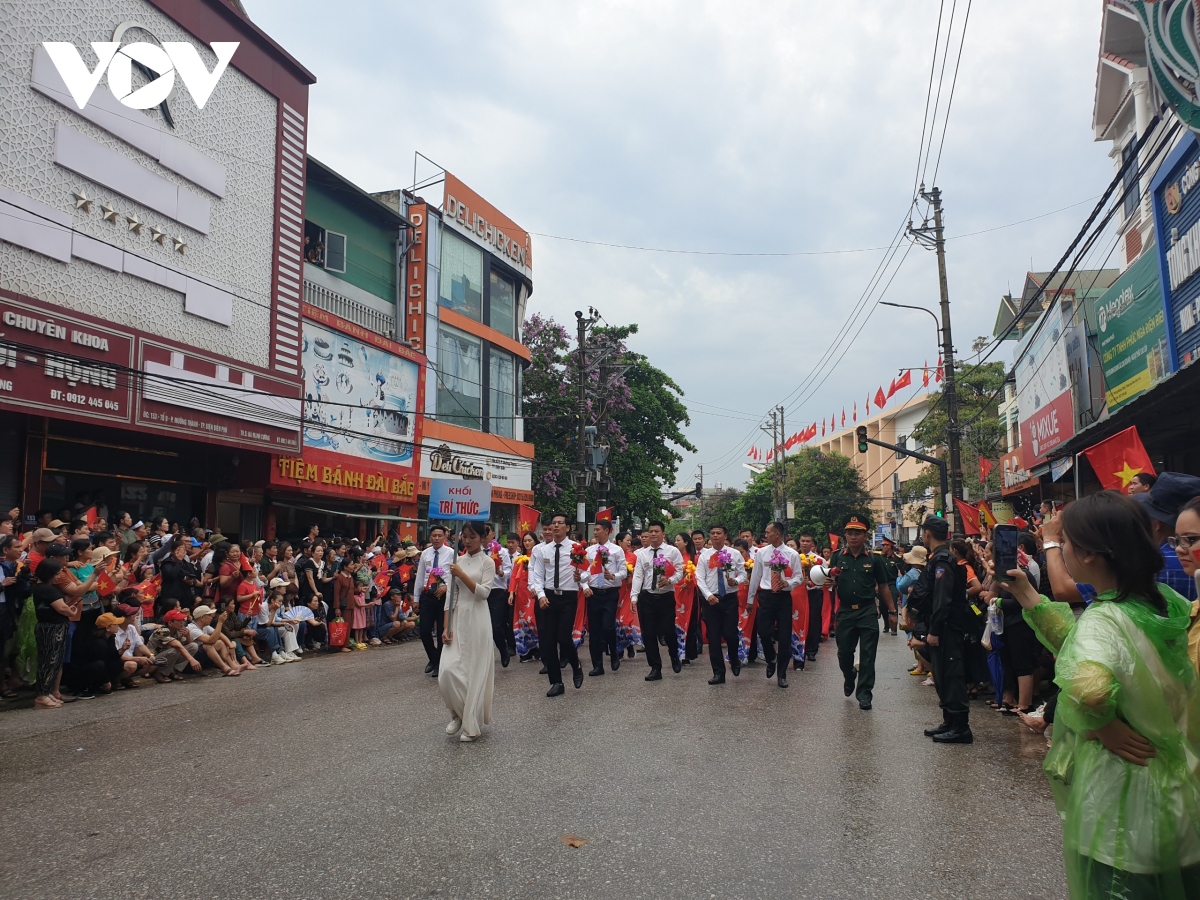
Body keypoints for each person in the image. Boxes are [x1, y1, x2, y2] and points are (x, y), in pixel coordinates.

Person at [999, 490, 1200, 899]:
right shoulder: (1165, 604)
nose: (1065, 552)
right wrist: (1027, 595)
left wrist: (1100, 724)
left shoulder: (1103, 618)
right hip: (1178, 799)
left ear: (1091, 554)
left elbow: (1089, 687)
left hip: (1122, 812)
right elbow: (1090, 648)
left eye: (1067, 543)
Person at [829, 516, 895, 709]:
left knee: (868, 655)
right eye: (849, 533)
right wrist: (828, 581)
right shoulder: (837, 557)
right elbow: (829, 580)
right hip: (846, 612)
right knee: (844, 653)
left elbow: (883, 586)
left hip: (867, 611)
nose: (853, 537)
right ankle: (849, 677)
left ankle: (865, 693)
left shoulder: (875, 559)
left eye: (857, 533)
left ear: (865, 536)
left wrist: (892, 612)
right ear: (845, 536)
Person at [916, 516, 973, 744]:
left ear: (927, 534)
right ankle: (949, 721)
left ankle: (961, 727)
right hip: (941, 626)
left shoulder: (943, 561)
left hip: (947, 628)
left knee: (952, 676)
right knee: (942, 675)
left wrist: (935, 630)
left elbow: (942, 599)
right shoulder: (939, 558)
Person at [439, 522, 496, 742]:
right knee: (447, 671)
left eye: (472, 536)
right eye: (464, 536)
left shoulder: (487, 562)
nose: (468, 540)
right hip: (457, 619)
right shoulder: (457, 561)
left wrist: (462, 575)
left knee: (473, 671)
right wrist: (446, 626)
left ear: (483, 538)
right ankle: (457, 713)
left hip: (478, 619)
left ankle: (471, 723)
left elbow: (483, 593)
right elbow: (449, 598)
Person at [528, 513, 590, 696]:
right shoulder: (541, 550)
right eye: (553, 523)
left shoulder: (576, 548)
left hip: (568, 597)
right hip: (548, 597)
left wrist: (582, 578)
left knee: (563, 638)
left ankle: (576, 665)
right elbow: (537, 575)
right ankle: (556, 682)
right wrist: (540, 594)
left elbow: (587, 573)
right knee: (547, 642)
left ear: (567, 528)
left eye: (559, 523)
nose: (555, 526)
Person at [746, 522, 803, 688]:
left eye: (768, 532)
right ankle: (771, 658)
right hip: (766, 596)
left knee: (784, 637)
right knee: (764, 632)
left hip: (784, 598)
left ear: (777, 534)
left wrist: (788, 583)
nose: (765, 535)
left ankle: (782, 673)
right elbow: (755, 576)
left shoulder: (792, 554)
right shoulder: (762, 553)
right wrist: (750, 599)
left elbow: (799, 577)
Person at [629, 520, 684, 682]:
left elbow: (680, 572)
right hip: (647, 597)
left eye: (656, 531)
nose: (653, 534)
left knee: (668, 631)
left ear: (663, 534)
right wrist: (634, 596)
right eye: (650, 531)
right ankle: (655, 667)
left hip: (666, 596)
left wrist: (670, 580)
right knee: (648, 633)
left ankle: (674, 655)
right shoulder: (642, 554)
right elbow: (638, 576)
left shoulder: (672, 552)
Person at [1134, 472, 1200, 601]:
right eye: (1177, 540)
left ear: (1157, 523)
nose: (1179, 549)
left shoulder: (1152, 564)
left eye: (1190, 539)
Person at [695, 525, 745, 684]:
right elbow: (699, 578)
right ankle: (718, 673)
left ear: (725, 536)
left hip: (729, 598)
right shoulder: (705, 556)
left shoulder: (734, 554)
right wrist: (708, 595)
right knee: (714, 636)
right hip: (711, 600)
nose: (715, 536)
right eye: (712, 533)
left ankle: (734, 659)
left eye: (718, 533)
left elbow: (743, 573)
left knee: (730, 634)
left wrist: (736, 580)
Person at [32, 559, 82, 709]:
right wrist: (71, 611)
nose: (58, 576)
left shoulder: (43, 587)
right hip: (51, 628)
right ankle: (42, 694)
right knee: (49, 661)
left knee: (54, 661)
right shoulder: (47, 589)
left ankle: (47, 692)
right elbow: (61, 608)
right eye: (57, 573)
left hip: (54, 626)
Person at [584, 518, 625, 676]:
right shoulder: (589, 551)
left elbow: (623, 572)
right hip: (593, 593)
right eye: (594, 529)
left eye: (598, 529)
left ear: (607, 531)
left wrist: (613, 575)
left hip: (610, 594)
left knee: (608, 627)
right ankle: (597, 665)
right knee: (594, 631)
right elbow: (583, 571)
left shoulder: (616, 550)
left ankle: (614, 653)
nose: (595, 532)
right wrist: (585, 586)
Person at [413, 526, 452, 676]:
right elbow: (420, 575)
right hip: (428, 595)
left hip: (443, 597)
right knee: (424, 631)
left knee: (443, 630)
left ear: (444, 537)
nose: (436, 538)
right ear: (430, 537)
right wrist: (416, 598)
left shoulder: (451, 553)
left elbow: (455, 576)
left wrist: (447, 586)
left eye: (439, 536)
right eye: (434, 536)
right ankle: (434, 658)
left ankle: (439, 664)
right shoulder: (425, 554)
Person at [482, 524, 514, 667]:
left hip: (496, 591)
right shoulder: (475, 552)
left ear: (492, 534)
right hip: (480, 591)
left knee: (496, 626)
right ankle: (483, 656)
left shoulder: (502, 552)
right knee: (481, 627)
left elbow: (509, 571)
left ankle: (503, 650)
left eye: (486, 533)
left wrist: (501, 573)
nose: (483, 536)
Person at [146, 609, 202, 682]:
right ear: (170, 623)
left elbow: (187, 645)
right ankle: (160, 673)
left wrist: (188, 636)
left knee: (193, 646)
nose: (182, 623)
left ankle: (173, 670)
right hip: (153, 659)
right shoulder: (161, 631)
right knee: (174, 650)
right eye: (179, 621)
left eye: (182, 620)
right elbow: (177, 645)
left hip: (167, 658)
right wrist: (192, 660)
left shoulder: (177, 631)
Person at [509, 531, 539, 661]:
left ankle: (537, 649)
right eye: (525, 541)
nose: (527, 543)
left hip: (533, 592)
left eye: (530, 540)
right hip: (521, 594)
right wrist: (511, 593)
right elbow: (514, 577)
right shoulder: (519, 559)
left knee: (532, 619)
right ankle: (524, 651)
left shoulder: (538, 557)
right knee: (521, 621)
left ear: (535, 542)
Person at [798, 534, 825, 660]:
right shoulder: (794, 557)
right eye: (802, 541)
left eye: (808, 541)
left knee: (814, 621)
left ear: (812, 544)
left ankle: (812, 650)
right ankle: (798, 647)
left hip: (814, 593)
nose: (804, 543)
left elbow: (825, 577)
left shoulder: (819, 560)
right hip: (798, 593)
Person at [877, 537, 900, 635]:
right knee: (882, 606)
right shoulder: (879, 558)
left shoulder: (897, 559)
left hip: (892, 584)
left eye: (884, 545)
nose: (882, 547)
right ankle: (886, 625)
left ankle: (894, 628)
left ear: (889, 546)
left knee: (893, 605)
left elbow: (901, 573)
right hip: (882, 585)